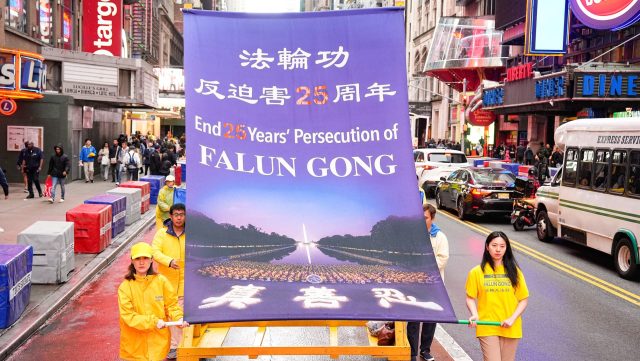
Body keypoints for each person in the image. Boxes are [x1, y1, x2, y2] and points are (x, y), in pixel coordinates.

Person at [118, 242, 187, 361]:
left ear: (151, 260)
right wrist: (154, 321)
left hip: (157, 347)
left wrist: (178, 318)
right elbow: (128, 316)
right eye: (137, 258)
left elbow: (171, 305)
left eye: (145, 258)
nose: (141, 262)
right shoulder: (125, 287)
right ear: (132, 261)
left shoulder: (161, 281)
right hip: (134, 349)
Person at [465, 231, 529, 361]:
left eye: (502, 246)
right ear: (487, 247)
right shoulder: (476, 272)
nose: (498, 249)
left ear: (507, 248)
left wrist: (512, 318)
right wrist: (475, 314)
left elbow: (523, 300)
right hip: (487, 325)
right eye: (494, 245)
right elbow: (470, 297)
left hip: (510, 326)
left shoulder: (515, 272)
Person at [407, 204, 449, 361]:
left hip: (433, 285)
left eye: (425, 218)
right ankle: (412, 352)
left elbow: (442, 259)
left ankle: (425, 349)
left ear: (432, 218)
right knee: (413, 319)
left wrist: (423, 263)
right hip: (414, 284)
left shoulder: (440, 237)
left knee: (430, 319)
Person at [152, 203, 186, 359]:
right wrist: (169, 261)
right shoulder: (162, 234)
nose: (179, 217)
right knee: (171, 316)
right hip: (167, 283)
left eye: (182, 214)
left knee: (183, 315)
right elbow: (155, 252)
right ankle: (175, 346)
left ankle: (182, 346)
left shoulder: (192, 234)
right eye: (176, 214)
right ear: (171, 216)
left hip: (187, 283)